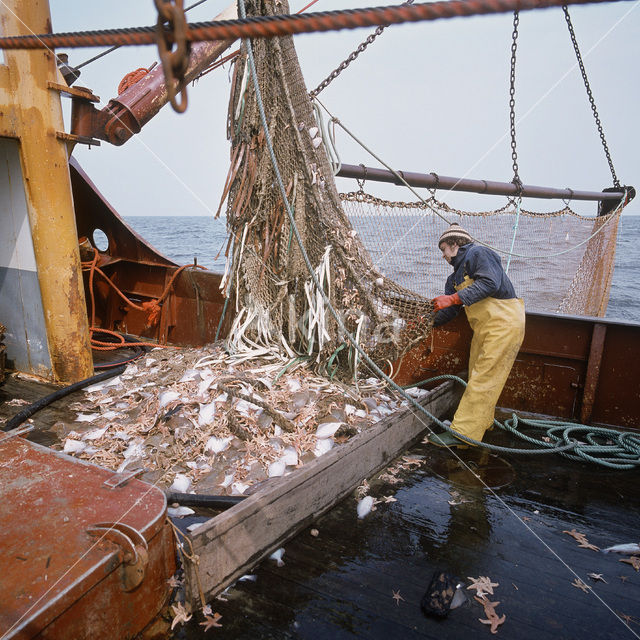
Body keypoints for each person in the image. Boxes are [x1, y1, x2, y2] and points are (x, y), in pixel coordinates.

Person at [429, 223, 525, 448]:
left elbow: (491, 283)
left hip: (504, 324)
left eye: (443, 249)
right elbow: (450, 311)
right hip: (484, 329)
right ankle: (482, 424)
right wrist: (427, 322)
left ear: (455, 244)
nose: (442, 255)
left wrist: (452, 299)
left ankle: (463, 436)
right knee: (476, 376)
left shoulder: (478, 253)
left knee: (483, 378)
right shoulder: (453, 279)